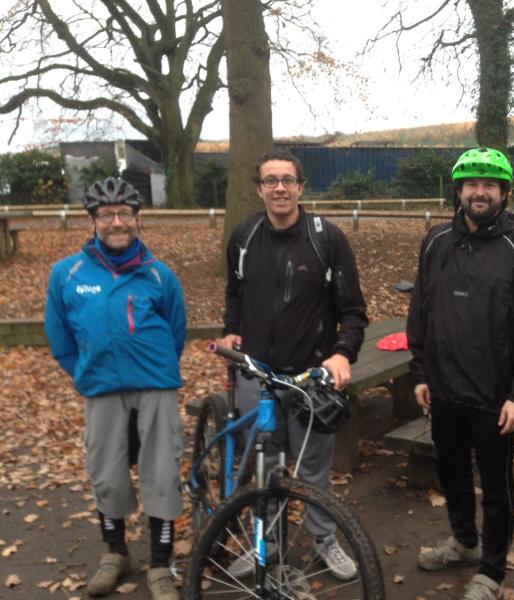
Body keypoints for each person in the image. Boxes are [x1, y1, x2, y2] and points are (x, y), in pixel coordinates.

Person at [219, 148, 368, 580]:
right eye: (271, 180)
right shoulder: (244, 237)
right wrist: (231, 329)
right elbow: (235, 291)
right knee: (265, 466)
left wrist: (342, 353)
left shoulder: (327, 239)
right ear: (259, 188)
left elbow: (353, 309)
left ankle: (324, 540)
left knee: (314, 468)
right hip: (257, 373)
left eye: (288, 179)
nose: (280, 187)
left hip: (311, 376)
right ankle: (268, 542)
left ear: (301, 186)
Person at [407, 147, 514, 600]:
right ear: (459, 190)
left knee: (497, 486)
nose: (479, 192)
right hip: (444, 387)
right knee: (452, 474)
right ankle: (465, 541)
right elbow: (420, 309)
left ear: (504, 192)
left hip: (495, 396)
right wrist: (420, 371)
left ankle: (492, 571)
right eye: (471, 184)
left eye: (489, 184)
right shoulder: (436, 241)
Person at [44, 178, 186, 600]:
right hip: (101, 388)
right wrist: (86, 372)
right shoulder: (67, 274)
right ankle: (115, 554)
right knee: (106, 472)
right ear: (93, 222)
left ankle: (160, 564)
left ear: (138, 219)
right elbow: (60, 335)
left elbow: (175, 332)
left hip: (155, 385)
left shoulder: (159, 276)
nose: (117, 222)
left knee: (161, 472)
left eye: (125, 214)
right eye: (106, 215)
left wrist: (153, 366)